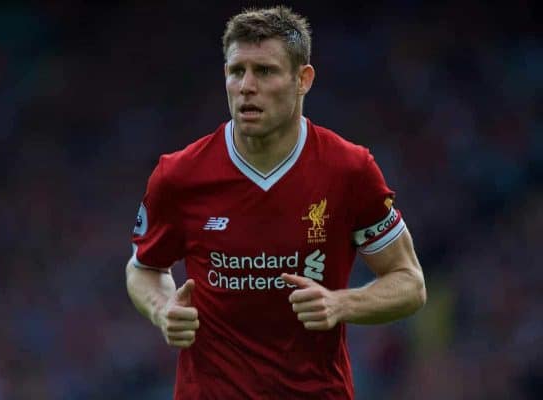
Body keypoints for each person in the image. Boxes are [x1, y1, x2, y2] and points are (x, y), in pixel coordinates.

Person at [126, 6, 426, 399]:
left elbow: (410, 284)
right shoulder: (179, 175)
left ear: (303, 80)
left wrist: (340, 303)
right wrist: (162, 309)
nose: (247, 86)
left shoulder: (349, 170)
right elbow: (143, 268)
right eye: (237, 71)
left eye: (265, 71)